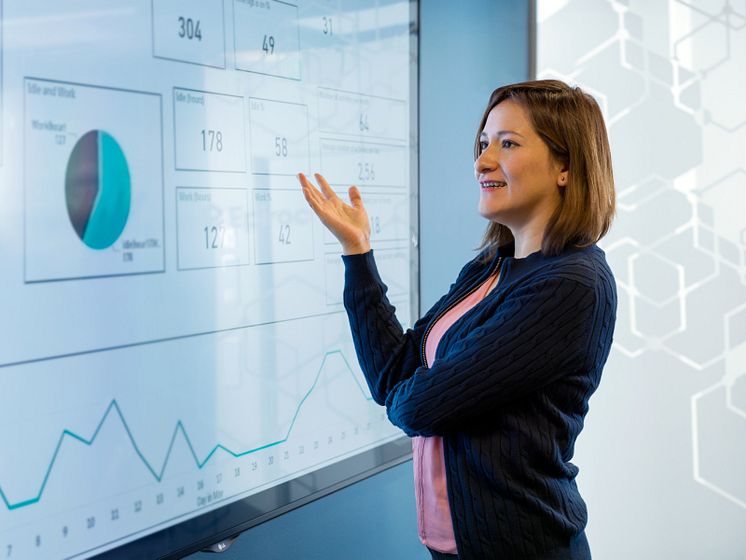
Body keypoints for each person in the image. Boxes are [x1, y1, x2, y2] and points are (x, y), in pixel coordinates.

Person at [297, 79, 617, 560]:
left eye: (507, 144)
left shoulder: (572, 284)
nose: (483, 161)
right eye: (484, 143)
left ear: (566, 167)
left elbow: (416, 409)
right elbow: (392, 377)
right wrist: (357, 251)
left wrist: (419, 389)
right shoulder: (491, 267)